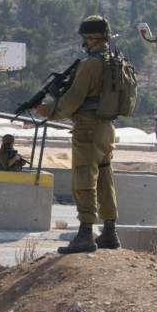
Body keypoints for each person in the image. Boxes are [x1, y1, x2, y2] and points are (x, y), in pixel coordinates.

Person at [37, 15, 120, 254]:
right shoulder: (113, 61)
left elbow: (73, 100)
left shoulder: (91, 64)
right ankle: (110, 232)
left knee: (84, 177)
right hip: (106, 127)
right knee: (104, 178)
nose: (84, 43)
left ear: (92, 38)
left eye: (85, 38)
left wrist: (49, 111)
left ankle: (85, 234)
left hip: (89, 128)